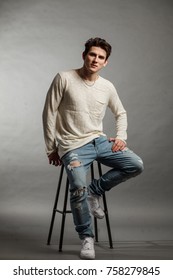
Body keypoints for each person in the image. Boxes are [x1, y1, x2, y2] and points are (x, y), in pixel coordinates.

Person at [42, 37, 144, 259]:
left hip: (99, 141)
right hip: (73, 146)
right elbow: (49, 113)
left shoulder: (107, 86)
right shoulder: (64, 78)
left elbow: (121, 113)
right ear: (84, 55)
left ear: (106, 62)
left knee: (135, 164)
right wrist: (51, 148)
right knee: (78, 186)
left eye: (100, 57)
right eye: (92, 54)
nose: (95, 60)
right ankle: (87, 238)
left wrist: (121, 137)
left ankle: (95, 191)